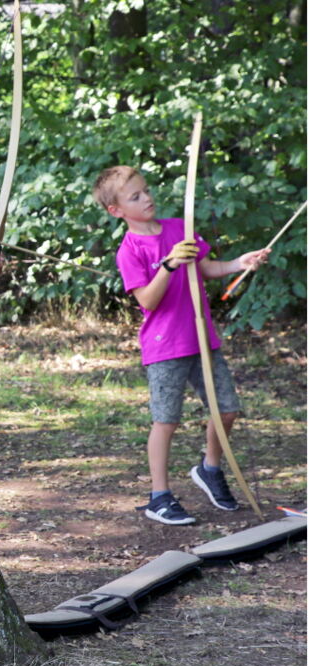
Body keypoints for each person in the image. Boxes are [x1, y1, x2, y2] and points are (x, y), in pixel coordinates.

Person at [93, 166, 269, 526]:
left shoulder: (178, 228)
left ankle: (209, 468)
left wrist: (240, 262)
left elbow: (206, 268)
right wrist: (169, 264)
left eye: (146, 190)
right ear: (116, 210)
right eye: (135, 196)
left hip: (202, 337)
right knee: (166, 421)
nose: (147, 198)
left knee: (227, 410)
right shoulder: (129, 250)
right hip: (164, 345)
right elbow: (149, 300)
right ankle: (159, 496)